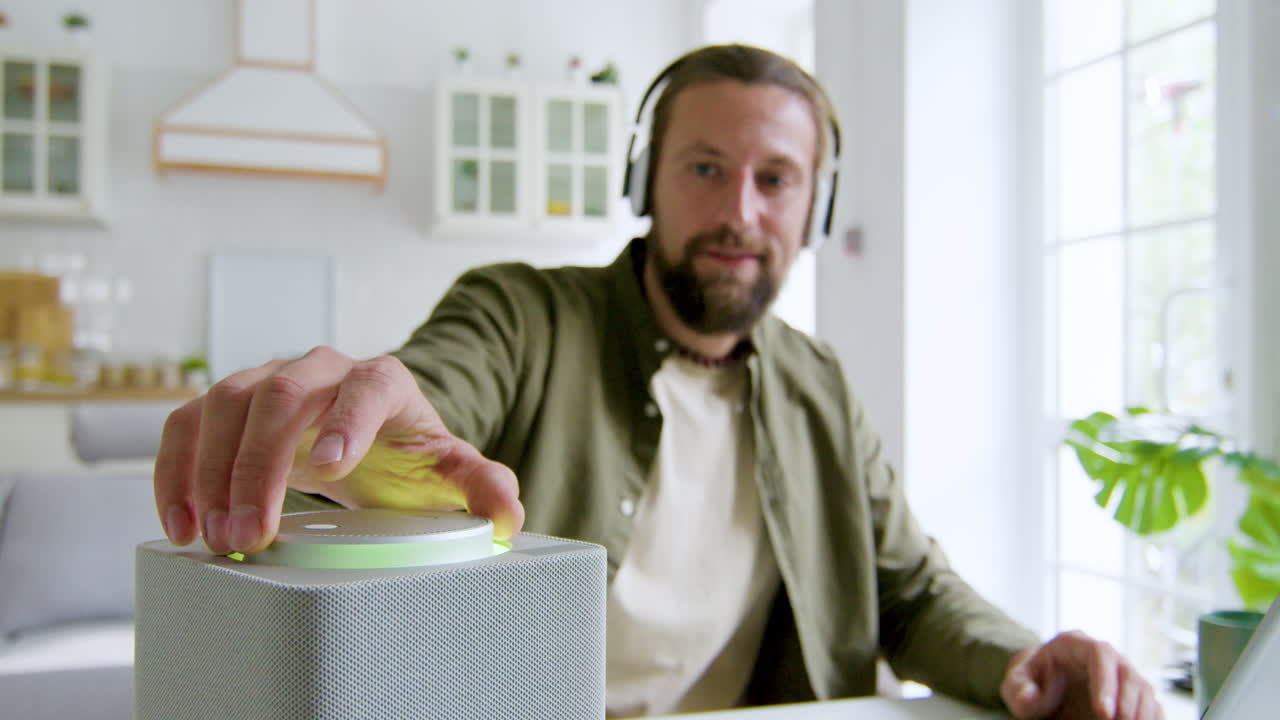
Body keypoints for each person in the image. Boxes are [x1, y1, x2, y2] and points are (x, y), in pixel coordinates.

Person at [154, 44, 1163, 719]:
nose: (738, 211)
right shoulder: (523, 313)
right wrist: (372, 420)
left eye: (774, 179)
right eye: (703, 168)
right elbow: (441, 387)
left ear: (811, 207)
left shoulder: (817, 385)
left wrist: (1020, 658)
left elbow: (909, 592)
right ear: (645, 181)